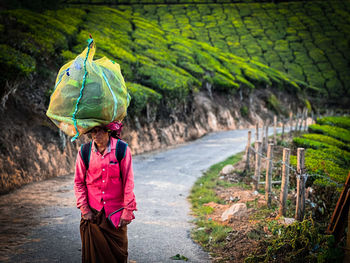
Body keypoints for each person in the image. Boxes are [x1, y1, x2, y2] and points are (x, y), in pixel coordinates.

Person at [74, 122, 137, 263]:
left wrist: (128, 211)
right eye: (93, 131)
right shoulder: (84, 151)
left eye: (100, 131)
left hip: (116, 216)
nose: (96, 135)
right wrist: (85, 209)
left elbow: (128, 182)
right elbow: (79, 182)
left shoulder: (122, 149)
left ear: (108, 131)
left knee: (118, 256)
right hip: (92, 215)